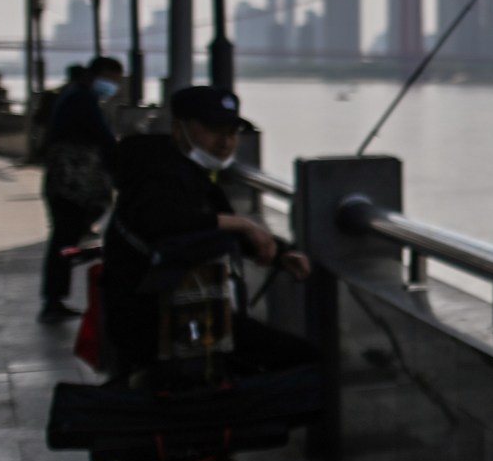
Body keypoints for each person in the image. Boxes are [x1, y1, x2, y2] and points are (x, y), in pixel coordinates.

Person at [101, 87, 308, 377]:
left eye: (232, 133)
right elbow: (161, 220)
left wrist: (279, 254)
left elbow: (209, 223)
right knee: (302, 359)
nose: (225, 143)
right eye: (212, 131)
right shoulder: (155, 173)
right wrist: (244, 224)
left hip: (188, 314)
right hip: (156, 321)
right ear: (178, 128)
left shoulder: (187, 171)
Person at [39, 57, 124, 321]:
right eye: (111, 78)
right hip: (71, 182)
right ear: (97, 75)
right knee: (64, 238)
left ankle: (55, 299)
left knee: (64, 238)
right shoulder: (81, 99)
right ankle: (53, 301)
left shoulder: (76, 94)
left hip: (65, 179)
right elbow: (102, 136)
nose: (113, 85)